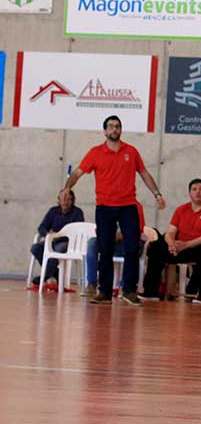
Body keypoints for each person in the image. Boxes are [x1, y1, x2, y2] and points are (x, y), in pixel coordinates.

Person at [61, 115, 166, 306]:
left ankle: (129, 291)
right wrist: (68, 187)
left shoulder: (131, 151)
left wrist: (157, 194)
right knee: (105, 249)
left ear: (121, 130)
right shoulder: (95, 153)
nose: (114, 129)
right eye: (110, 126)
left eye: (117, 126)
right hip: (104, 207)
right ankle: (105, 292)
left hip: (128, 206)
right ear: (105, 131)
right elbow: (77, 173)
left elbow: (144, 173)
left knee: (132, 248)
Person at [141, 179, 201, 303]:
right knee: (156, 247)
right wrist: (171, 244)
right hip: (179, 247)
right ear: (189, 193)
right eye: (194, 189)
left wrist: (185, 245)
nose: (198, 192)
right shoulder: (181, 210)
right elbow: (170, 232)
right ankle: (150, 292)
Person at [30, 190, 85, 286]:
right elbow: (41, 227)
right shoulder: (53, 211)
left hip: (69, 242)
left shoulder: (77, 212)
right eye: (62, 199)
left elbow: (78, 231)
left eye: (68, 199)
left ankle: (45, 276)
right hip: (53, 240)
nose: (65, 202)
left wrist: (60, 235)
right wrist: (48, 234)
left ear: (72, 200)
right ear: (59, 200)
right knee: (35, 248)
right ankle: (55, 273)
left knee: (57, 249)